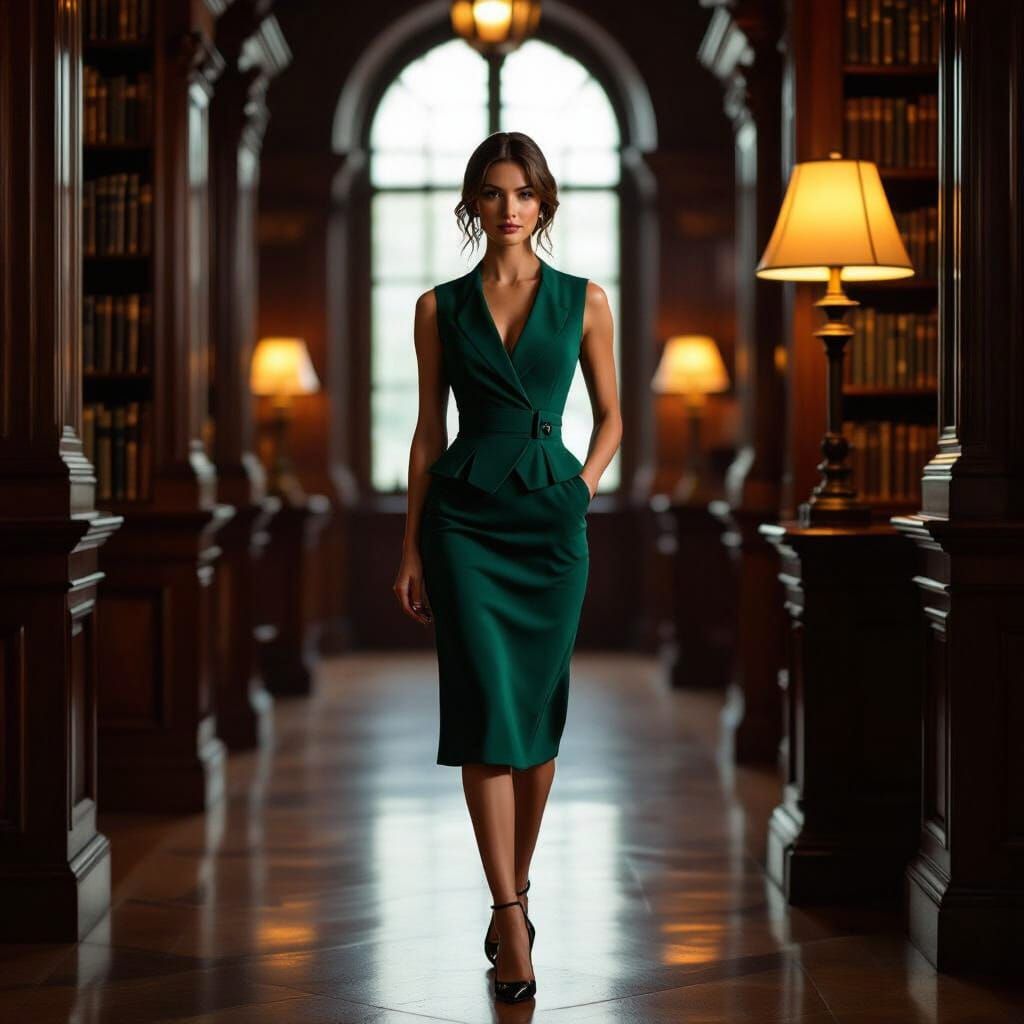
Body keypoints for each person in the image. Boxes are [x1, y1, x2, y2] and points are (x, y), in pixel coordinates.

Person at [393, 131, 621, 1005]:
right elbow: (427, 431)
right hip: (463, 524)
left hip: (551, 525)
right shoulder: (437, 308)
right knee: (485, 708)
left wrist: (581, 489)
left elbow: (613, 417)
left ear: (544, 202)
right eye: (492, 193)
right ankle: (511, 917)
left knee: (536, 717)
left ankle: (513, 892)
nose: (509, 208)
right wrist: (411, 546)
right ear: (472, 204)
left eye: (523, 193)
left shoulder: (585, 299)